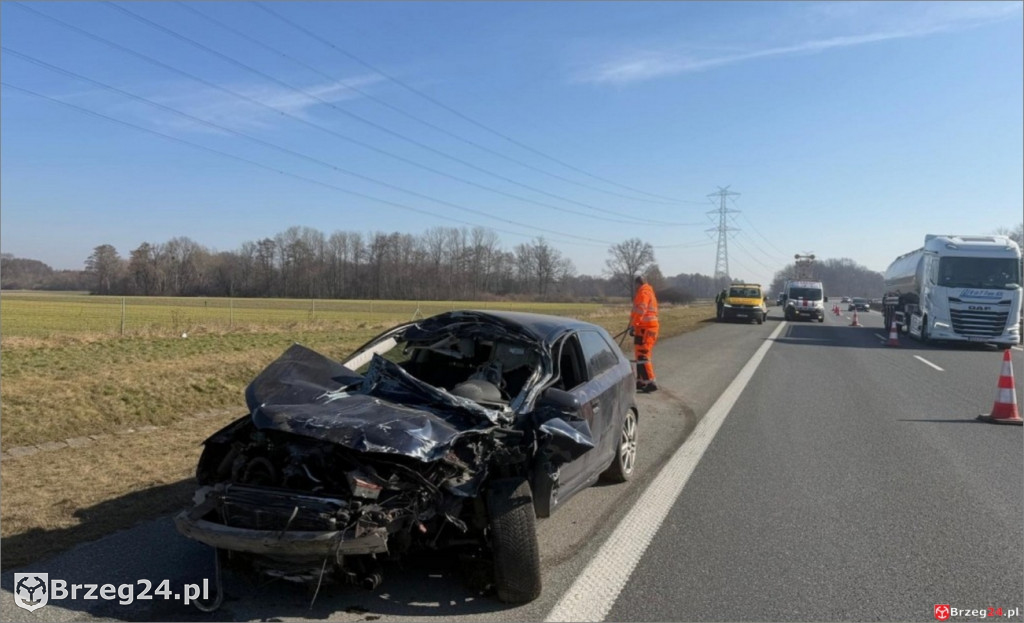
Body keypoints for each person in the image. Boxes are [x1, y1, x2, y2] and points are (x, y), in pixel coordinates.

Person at [629, 275, 660, 392]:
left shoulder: (644, 293)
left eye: (635, 285)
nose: (635, 287)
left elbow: (641, 310)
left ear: (638, 283)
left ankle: (650, 382)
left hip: (646, 329)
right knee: (639, 354)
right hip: (643, 328)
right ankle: (641, 380)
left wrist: (634, 324)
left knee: (643, 355)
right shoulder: (647, 292)